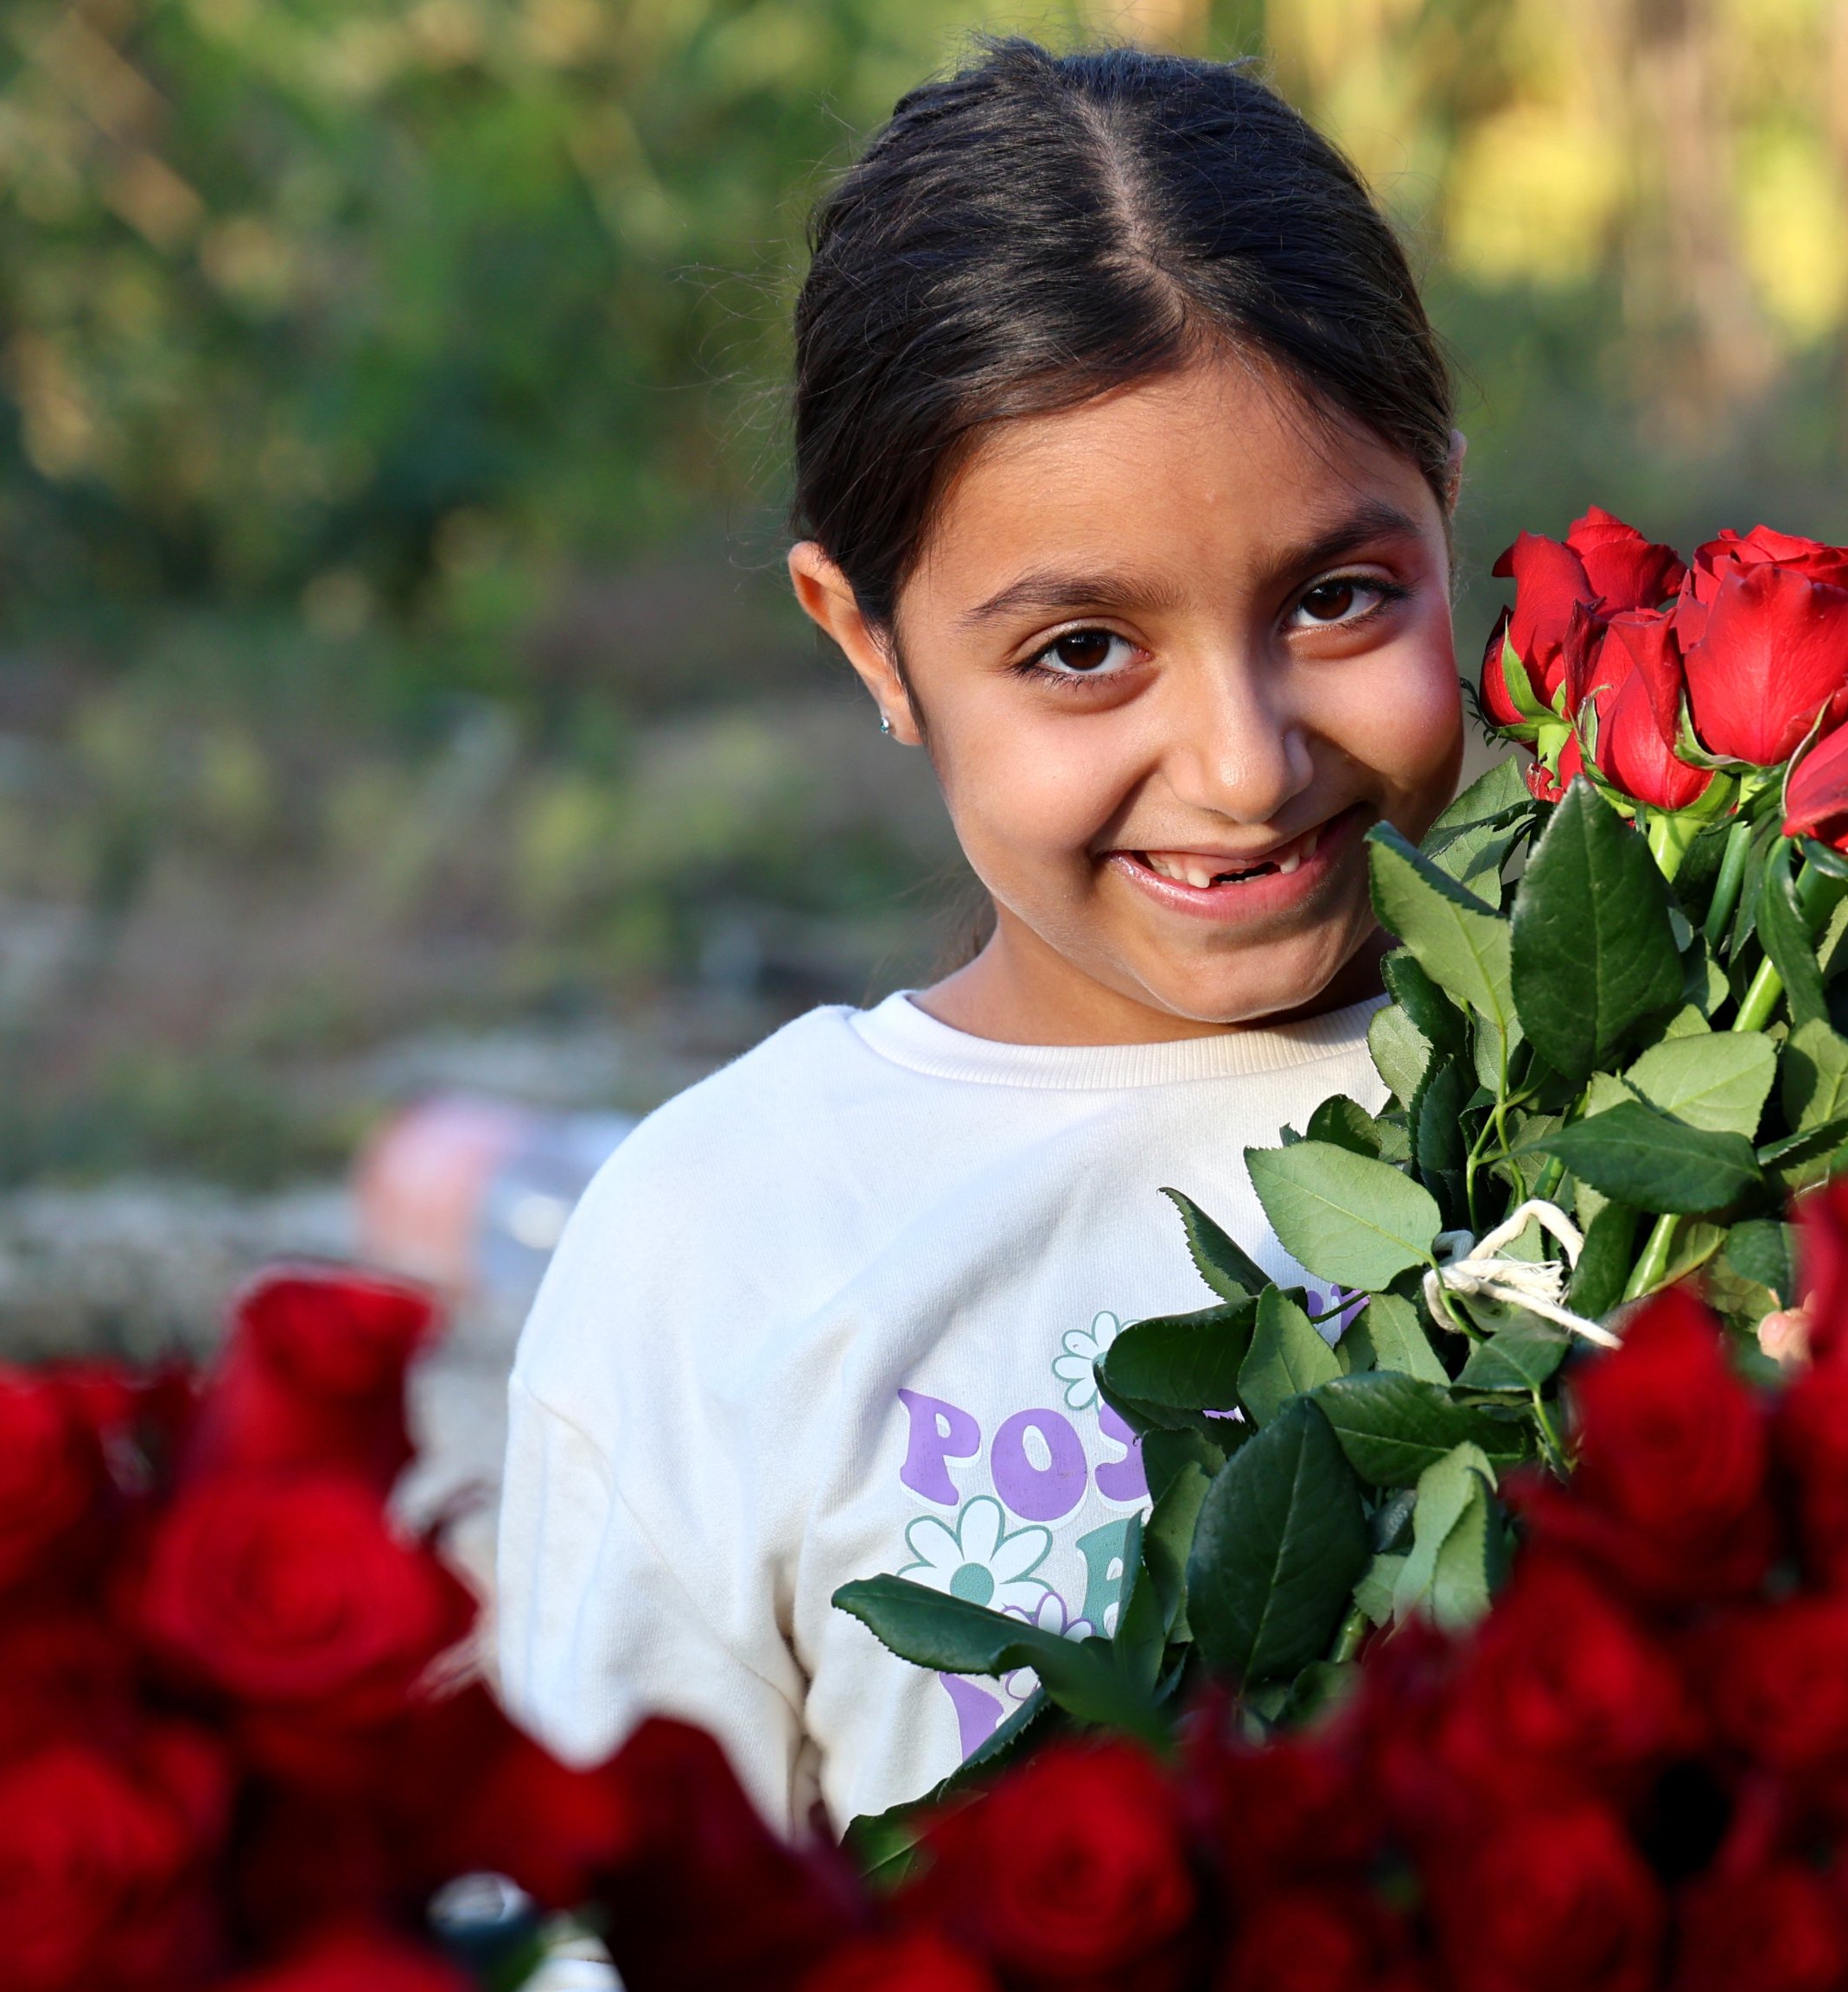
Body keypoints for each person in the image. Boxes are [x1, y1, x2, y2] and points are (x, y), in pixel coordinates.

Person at [490, 37, 1469, 1837]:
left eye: (1336, 600)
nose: (1246, 767)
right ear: (867, 645)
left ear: (1444, 511)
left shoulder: (1674, 1075)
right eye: (1079, 650)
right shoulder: (726, 1245)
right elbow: (606, 1915)